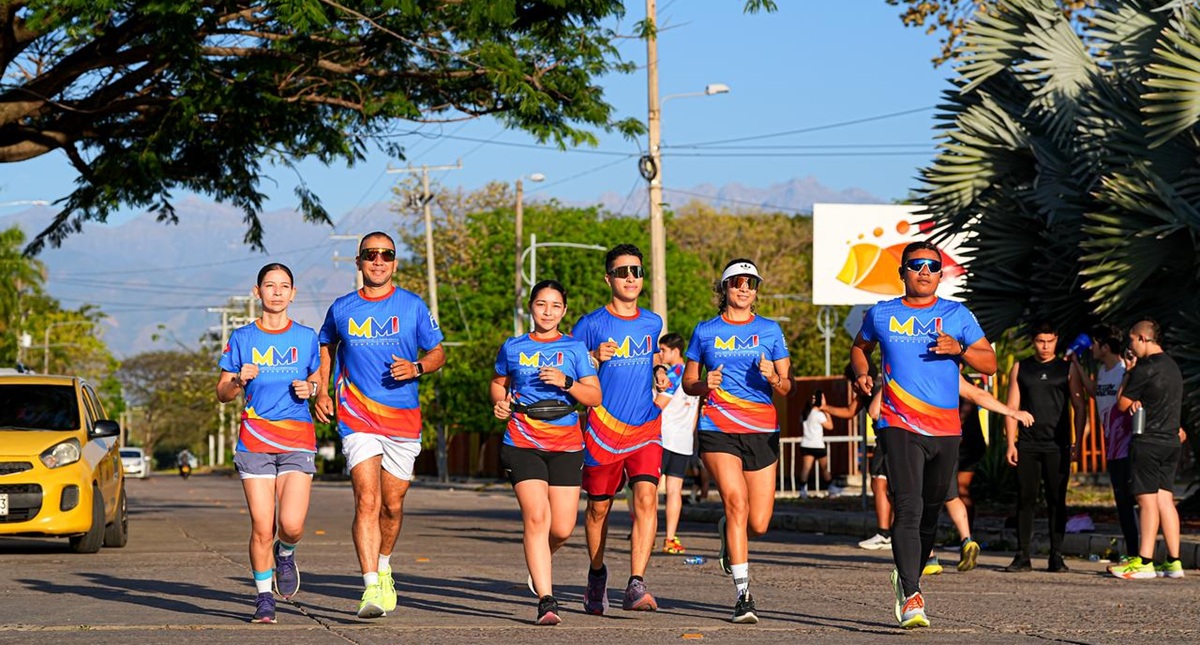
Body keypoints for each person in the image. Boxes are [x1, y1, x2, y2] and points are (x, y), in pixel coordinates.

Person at [850, 241, 996, 629]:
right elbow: (859, 348)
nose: (925, 271)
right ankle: (913, 593)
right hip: (898, 423)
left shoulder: (956, 314)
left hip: (945, 429)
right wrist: (863, 373)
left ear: (941, 274)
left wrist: (960, 349)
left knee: (931, 512)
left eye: (933, 265)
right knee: (909, 505)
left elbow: (990, 363)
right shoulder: (882, 313)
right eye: (917, 265)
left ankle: (907, 575)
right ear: (903, 272)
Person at [313, 232, 446, 619]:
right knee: (367, 501)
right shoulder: (342, 308)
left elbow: (437, 352)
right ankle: (370, 585)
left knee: (392, 505)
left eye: (386, 255)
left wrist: (417, 367)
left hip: (403, 419)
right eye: (370, 254)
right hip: (357, 416)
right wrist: (323, 390)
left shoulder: (412, 306)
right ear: (358, 262)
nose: (378, 261)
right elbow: (326, 345)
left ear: (395, 264)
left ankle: (384, 566)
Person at [683, 258, 791, 624]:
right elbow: (688, 383)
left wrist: (773, 377)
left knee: (758, 523)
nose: (744, 288)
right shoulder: (705, 331)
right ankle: (743, 596)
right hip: (718, 427)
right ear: (724, 287)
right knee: (736, 501)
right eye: (737, 282)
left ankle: (727, 534)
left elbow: (787, 386)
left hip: (761, 429)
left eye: (751, 283)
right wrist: (704, 384)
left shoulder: (771, 330)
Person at [490, 280, 601, 625]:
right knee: (537, 517)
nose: (548, 312)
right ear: (531, 308)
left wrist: (567, 382)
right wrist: (500, 403)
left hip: (566, 444)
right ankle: (546, 600)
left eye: (555, 306)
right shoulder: (513, 346)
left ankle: (539, 562)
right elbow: (498, 383)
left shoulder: (575, 348)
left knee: (563, 528)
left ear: (564, 311)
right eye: (541, 304)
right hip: (522, 440)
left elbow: (595, 397)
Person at [216, 263, 321, 624]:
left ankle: (286, 552)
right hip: (255, 440)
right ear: (256, 291)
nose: (277, 292)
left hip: (297, 439)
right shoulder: (242, 338)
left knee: (291, 525)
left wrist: (312, 389)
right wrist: (237, 381)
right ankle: (264, 599)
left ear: (293, 294)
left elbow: (317, 381)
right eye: (270, 285)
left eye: (284, 286)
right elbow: (222, 392)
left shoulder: (306, 337)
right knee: (263, 526)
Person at [573, 244, 670, 615]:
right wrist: (593, 357)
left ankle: (636, 583)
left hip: (645, 425)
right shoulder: (590, 324)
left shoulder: (652, 322)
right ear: (608, 278)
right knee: (598, 509)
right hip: (603, 429)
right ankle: (597, 574)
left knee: (646, 497)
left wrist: (659, 370)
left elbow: (653, 356)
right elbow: (568, 369)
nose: (631, 278)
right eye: (623, 272)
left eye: (636, 271)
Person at [864, 374, 1033, 574]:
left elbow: (874, 412)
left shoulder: (902, 374)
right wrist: (1012, 411)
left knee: (911, 501)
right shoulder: (946, 370)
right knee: (951, 497)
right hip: (945, 444)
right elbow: (976, 394)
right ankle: (966, 539)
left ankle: (927, 557)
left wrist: (888, 387)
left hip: (913, 444)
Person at [1002, 321, 1087, 573]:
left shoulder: (1066, 369)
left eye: (1050, 341)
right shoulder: (1021, 368)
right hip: (1028, 443)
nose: (1045, 346)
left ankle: (1056, 555)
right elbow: (1012, 408)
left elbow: (1079, 406)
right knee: (1025, 498)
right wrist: (1011, 443)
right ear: (1033, 341)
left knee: (1056, 499)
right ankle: (1022, 555)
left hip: (1057, 444)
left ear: (1056, 340)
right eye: (1041, 341)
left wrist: (1078, 441)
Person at [1110, 319, 1186, 580]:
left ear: (1142, 338)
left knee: (1146, 500)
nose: (1130, 346)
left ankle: (1144, 561)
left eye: (1132, 340)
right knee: (1165, 499)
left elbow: (1122, 404)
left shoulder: (1144, 367)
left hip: (1148, 442)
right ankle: (1174, 561)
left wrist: (1129, 372)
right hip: (1171, 441)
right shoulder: (1172, 366)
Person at [1074, 325, 1137, 563]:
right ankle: (1133, 551)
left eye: (1094, 343)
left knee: (1131, 500)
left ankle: (1139, 552)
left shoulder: (1124, 371)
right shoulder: (1103, 371)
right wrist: (1077, 365)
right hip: (1111, 447)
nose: (1091, 348)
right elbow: (1095, 392)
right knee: (1121, 500)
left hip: (1127, 446)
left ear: (1106, 347)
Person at [657, 332, 700, 555]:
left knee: (649, 489)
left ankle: (645, 532)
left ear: (675, 351)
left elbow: (658, 405)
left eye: (663, 350)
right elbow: (695, 414)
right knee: (675, 491)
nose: (660, 354)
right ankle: (670, 538)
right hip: (683, 441)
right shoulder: (694, 376)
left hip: (663, 438)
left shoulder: (673, 374)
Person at [798, 389, 841, 498]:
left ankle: (802, 490)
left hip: (806, 443)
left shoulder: (805, 413)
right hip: (817, 445)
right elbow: (830, 426)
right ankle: (831, 489)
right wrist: (827, 411)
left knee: (806, 469)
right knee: (824, 469)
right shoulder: (818, 415)